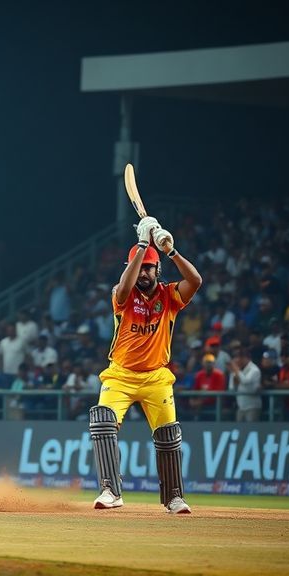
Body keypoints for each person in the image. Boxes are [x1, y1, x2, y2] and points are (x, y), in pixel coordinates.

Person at [89, 216, 201, 514]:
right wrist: (141, 245)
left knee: (168, 436)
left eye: (148, 267)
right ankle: (111, 491)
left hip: (156, 377)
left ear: (157, 269)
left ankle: (174, 497)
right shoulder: (121, 295)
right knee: (102, 422)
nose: (142, 273)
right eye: (138, 268)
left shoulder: (170, 295)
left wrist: (171, 250)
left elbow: (196, 281)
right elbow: (123, 289)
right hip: (120, 374)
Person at [228, 348, 262, 422]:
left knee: (251, 431)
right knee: (239, 431)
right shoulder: (238, 370)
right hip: (241, 406)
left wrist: (236, 370)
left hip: (252, 407)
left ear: (245, 358)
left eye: (238, 357)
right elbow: (231, 388)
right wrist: (233, 375)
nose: (236, 360)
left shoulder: (254, 370)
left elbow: (245, 381)